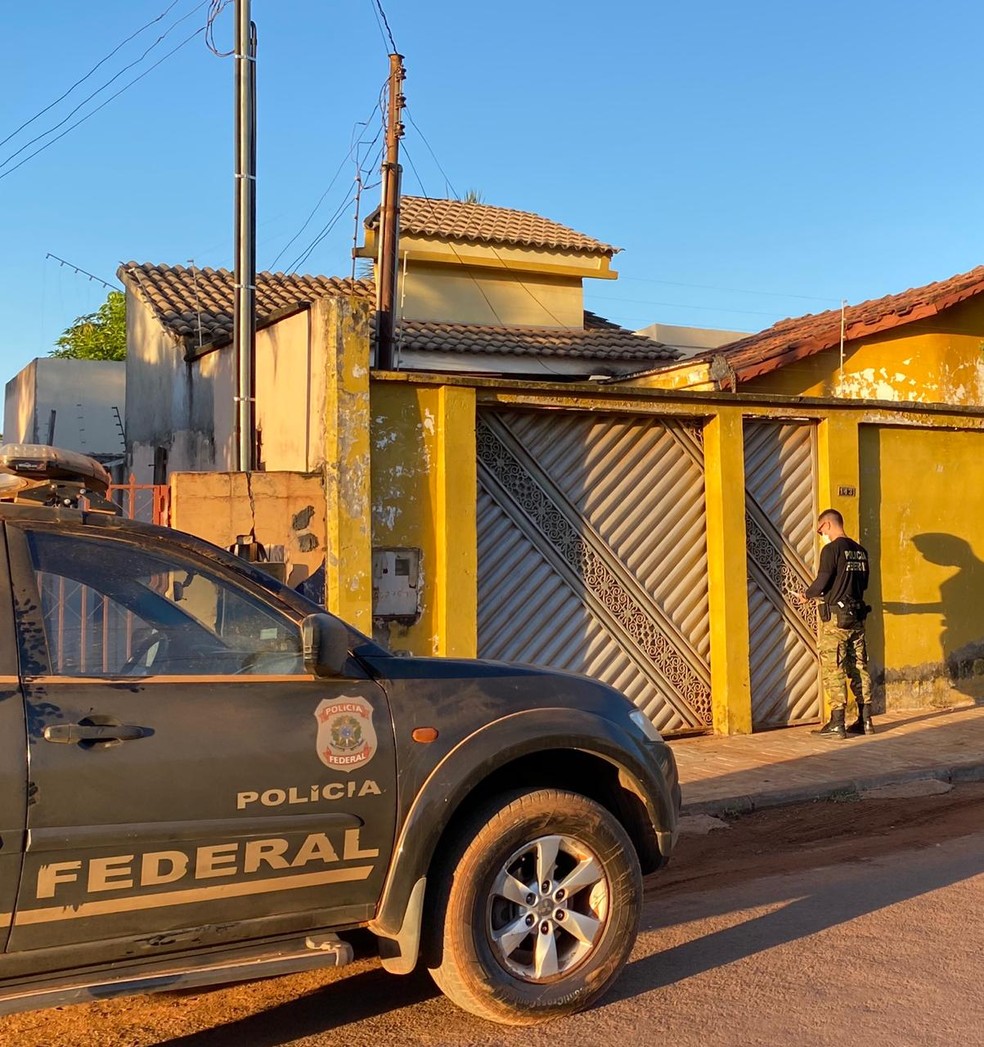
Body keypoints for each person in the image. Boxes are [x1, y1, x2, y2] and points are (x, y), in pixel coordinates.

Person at [795, 508, 874, 739]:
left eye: (820, 529)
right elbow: (863, 584)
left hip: (836, 621)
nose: (821, 534)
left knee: (834, 667)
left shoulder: (831, 549)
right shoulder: (860, 551)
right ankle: (866, 720)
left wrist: (807, 595)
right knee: (860, 667)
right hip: (858, 619)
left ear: (828, 524)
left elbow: (823, 579)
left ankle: (837, 723)